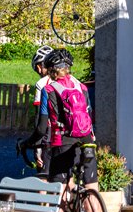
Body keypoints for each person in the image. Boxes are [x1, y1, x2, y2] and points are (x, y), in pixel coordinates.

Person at [23, 49, 98, 194]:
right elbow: (89, 115)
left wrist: (27, 143)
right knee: (92, 189)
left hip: (62, 143)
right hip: (87, 140)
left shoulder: (48, 90)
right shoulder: (82, 87)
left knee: (60, 193)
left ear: (51, 70)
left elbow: (41, 128)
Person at [27, 45, 54, 179]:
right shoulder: (70, 81)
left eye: (38, 67)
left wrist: (36, 147)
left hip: (47, 138)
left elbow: (40, 119)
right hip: (67, 138)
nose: (38, 70)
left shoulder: (41, 84)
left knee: (43, 179)